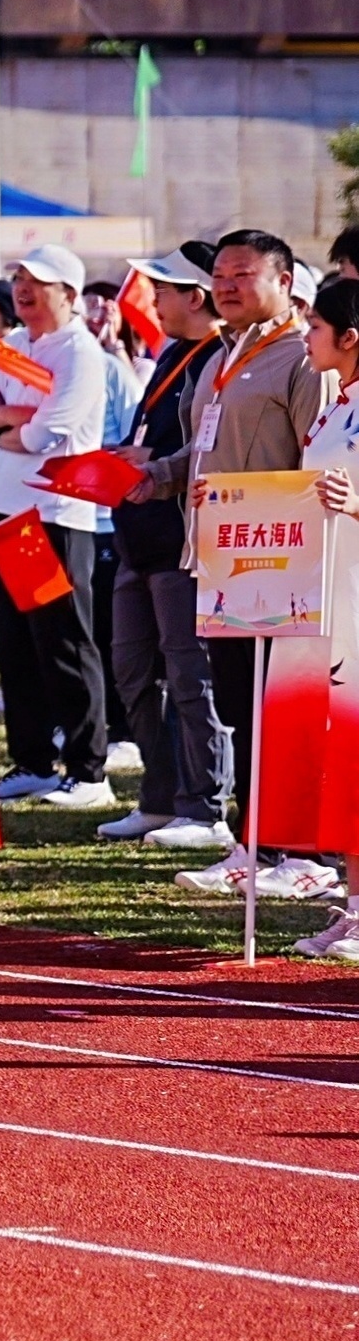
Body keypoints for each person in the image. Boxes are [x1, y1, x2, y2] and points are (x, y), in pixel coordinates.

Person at [150, 230, 334, 903]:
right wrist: (159, 475)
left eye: (242, 275)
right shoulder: (220, 356)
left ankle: (294, 850)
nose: (225, 286)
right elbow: (209, 451)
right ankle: (255, 843)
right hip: (220, 560)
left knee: (275, 707)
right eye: (219, 276)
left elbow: (321, 461)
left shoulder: (303, 358)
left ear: (283, 280)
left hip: (279, 563)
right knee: (237, 703)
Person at [0, 244, 127, 810]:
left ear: (69, 293)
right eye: (19, 279)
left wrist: (11, 427)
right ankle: (33, 760)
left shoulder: (81, 353)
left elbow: (47, 434)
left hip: (54, 514)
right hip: (5, 511)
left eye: (38, 281)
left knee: (62, 638)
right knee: (15, 642)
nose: (24, 289)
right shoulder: (9, 347)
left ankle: (89, 769)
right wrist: (14, 419)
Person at [96, 250, 223, 847]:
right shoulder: (171, 354)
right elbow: (150, 434)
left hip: (180, 541)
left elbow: (200, 447)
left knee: (190, 673)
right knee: (132, 670)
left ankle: (204, 805)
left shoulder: (219, 357)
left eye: (164, 290)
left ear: (194, 297)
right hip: (137, 537)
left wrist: (150, 463)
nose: (152, 303)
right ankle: (158, 796)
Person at [289, 279, 359, 962]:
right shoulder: (335, 408)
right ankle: (354, 906)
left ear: (350, 337)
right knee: (344, 759)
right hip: (328, 602)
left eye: (315, 325)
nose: (306, 334)